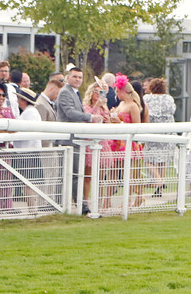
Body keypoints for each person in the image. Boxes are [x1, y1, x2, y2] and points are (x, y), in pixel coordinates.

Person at [55, 66, 101, 215]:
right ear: (68, 78)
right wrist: (90, 117)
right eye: (75, 76)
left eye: (80, 77)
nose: (78, 80)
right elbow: (69, 113)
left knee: (73, 174)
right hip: (68, 140)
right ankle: (81, 207)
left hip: (75, 139)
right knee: (72, 174)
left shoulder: (74, 93)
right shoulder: (65, 92)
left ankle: (67, 206)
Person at [82, 82, 120, 210]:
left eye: (101, 92)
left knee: (101, 176)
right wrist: (96, 107)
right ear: (91, 93)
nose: (98, 94)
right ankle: (85, 203)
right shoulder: (86, 107)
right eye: (96, 92)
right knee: (88, 176)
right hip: (90, 141)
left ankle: (99, 202)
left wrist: (110, 118)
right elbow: (88, 120)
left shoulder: (104, 107)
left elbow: (106, 121)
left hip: (103, 142)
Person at [113, 73, 144, 207]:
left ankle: (130, 198)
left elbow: (137, 125)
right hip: (120, 142)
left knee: (130, 173)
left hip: (129, 143)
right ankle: (130, 197)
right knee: (120, 172)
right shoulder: (121, 104)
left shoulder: (133, 106)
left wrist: (119, 123)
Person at [143, 78, 176, 197]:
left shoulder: (147, 98)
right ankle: (159, 187)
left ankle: (158, 180)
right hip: (167, 132)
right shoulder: (169, 99)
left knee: (148, 159)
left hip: (152, 132)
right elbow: (173, 110)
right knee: (162, 161)